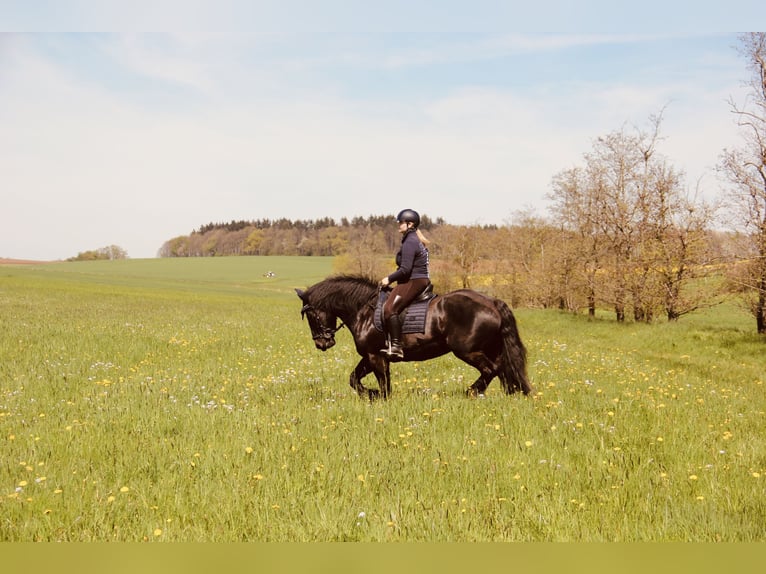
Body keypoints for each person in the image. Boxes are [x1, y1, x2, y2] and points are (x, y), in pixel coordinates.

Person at [379, 209, 431, 359]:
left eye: (401, 222)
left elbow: (405, 269)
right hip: (417, 279)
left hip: (413, 280)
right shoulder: (414, 239)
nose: (399, 225)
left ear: (410, 224)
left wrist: (388, 279)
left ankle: (396, 346)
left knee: (389, 309)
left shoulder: (410, 241)